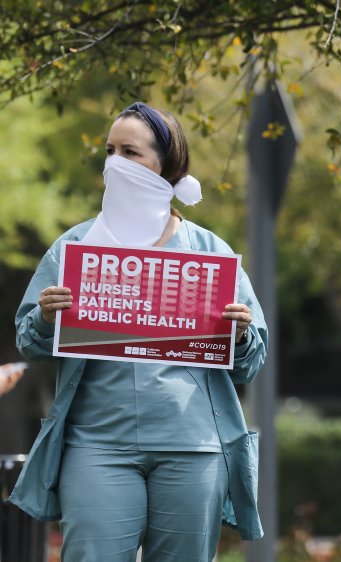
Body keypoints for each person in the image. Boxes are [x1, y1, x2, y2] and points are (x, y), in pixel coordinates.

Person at [9, 102, 268, 561]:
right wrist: (47, 318)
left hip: (193, 449)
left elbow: (250, 363)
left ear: (165, 166)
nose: (115, 162)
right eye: (110, 151)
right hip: (96, 446)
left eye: (130, 152)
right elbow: (29, 340)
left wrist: (242, 333)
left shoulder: (208, 251)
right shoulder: (76, 247)